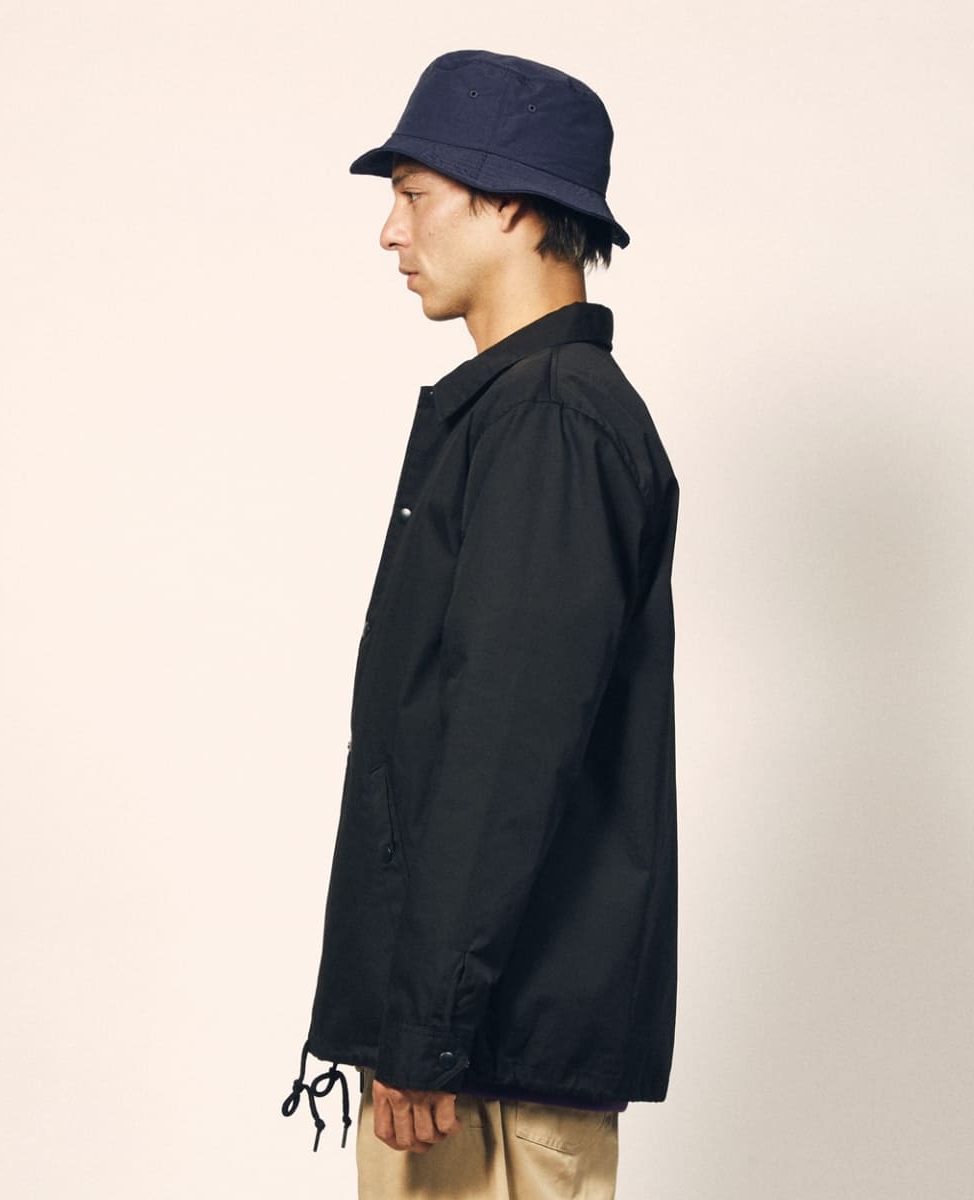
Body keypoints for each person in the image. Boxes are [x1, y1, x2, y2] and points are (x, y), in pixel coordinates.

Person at [281, 49, 680, 1199]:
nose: (390, 233)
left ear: (510, 204)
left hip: (485, 1063)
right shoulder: (522, 413)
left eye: (414, 195)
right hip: (475, 1045)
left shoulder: (551, 423)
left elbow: (504, 749)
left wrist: (426, 1031)